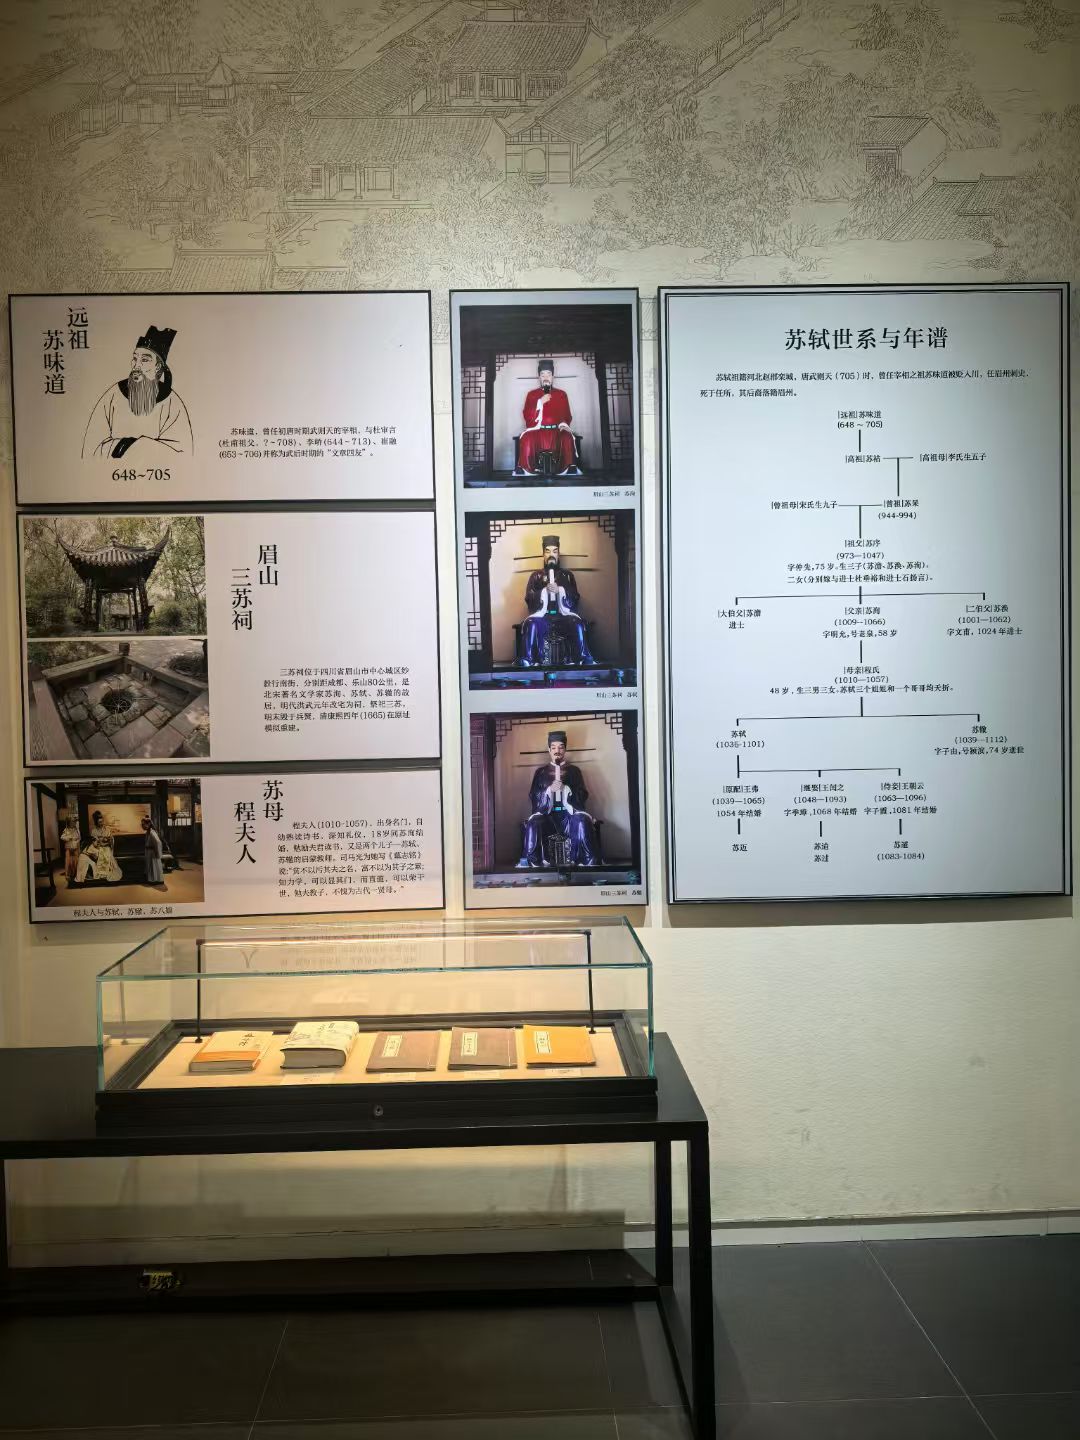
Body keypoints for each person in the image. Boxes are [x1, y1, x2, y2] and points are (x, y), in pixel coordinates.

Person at [82, 326, 192, 460]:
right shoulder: (114, 394)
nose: (136, 365)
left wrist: (137, 446)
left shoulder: (171, 402)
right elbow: (92, 445)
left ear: (157, 366)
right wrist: (132, 447)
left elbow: (181, 452)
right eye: (135, 359)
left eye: (144, 360)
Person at [516, 730, 600, 868]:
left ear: (565, 749)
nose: (557, 751)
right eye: (554, 747)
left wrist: (566, 789)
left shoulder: (574, 771)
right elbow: (534, 795)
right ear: (549, 749)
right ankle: (534, 862)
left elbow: (582, 793)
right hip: (547, 814)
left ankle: (585, 861)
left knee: (582, 821)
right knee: (535, 823)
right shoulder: (541, 772)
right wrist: (549, 790)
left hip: (569, 814)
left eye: (561, 747)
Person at [519, 534, 596, 667]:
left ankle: (582, 657)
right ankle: (528, 659)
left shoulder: (567, 575)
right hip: (543, 617)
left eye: (555, 551)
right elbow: (529, 598)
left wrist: (560, 590)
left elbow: (575, 598)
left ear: (558, 554)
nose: (551, 555)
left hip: (562, 616)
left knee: (576, 623)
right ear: (543, 554)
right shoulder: (536, 576)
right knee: (531, 624)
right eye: (547, 551)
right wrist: (544, 591)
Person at [518, 360, 577, 476]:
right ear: (539, 377)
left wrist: (563, 424)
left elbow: (567, 415)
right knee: (526, 438)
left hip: (556, 431)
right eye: (542, 375)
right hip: (537, 431)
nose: (546, 378)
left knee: (567, 437)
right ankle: (526, 468)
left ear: (553, 376)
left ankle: (568, 467)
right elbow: (526, 415)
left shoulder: (561, 394)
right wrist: (539, 402)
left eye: (548, 374)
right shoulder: (532, 394)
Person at [75, 809, 123, 883]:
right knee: (86, 855)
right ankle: (88, 874)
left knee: (106, 853)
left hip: (106, 847)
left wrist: (105, 841)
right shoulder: (94, 831)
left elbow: (110, 841)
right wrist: (98, 842)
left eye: (102, 821)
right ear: (96, 822)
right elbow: (94, 842)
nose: (101, 823)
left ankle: (104, 873)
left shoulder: (107, 829)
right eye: (100, 822)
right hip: (97, 847)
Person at [141, 815, 165, 887]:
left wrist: (158, 852)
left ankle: (155, 880)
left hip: (152, 852)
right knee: (150, 866)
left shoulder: (152, 832)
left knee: (153, 866)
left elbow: (158, 842)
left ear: (148, 824)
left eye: (143, 824)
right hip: (149, 852)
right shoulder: (148, 832)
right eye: (142, 824)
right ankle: (151, 879)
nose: (142, 826)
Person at [59, 814, 81, 883]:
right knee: (67, 859)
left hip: (75, 845)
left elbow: (79, 838)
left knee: (76, 858)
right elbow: (62, 837)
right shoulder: (66, 830)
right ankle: (67, 873)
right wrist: (68, 838)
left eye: (73, 822)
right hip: (68, 846)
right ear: (69, 823)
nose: (73, 824)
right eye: (71, 822)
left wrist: (76, 841)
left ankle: (76, 872)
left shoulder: (76, 830)